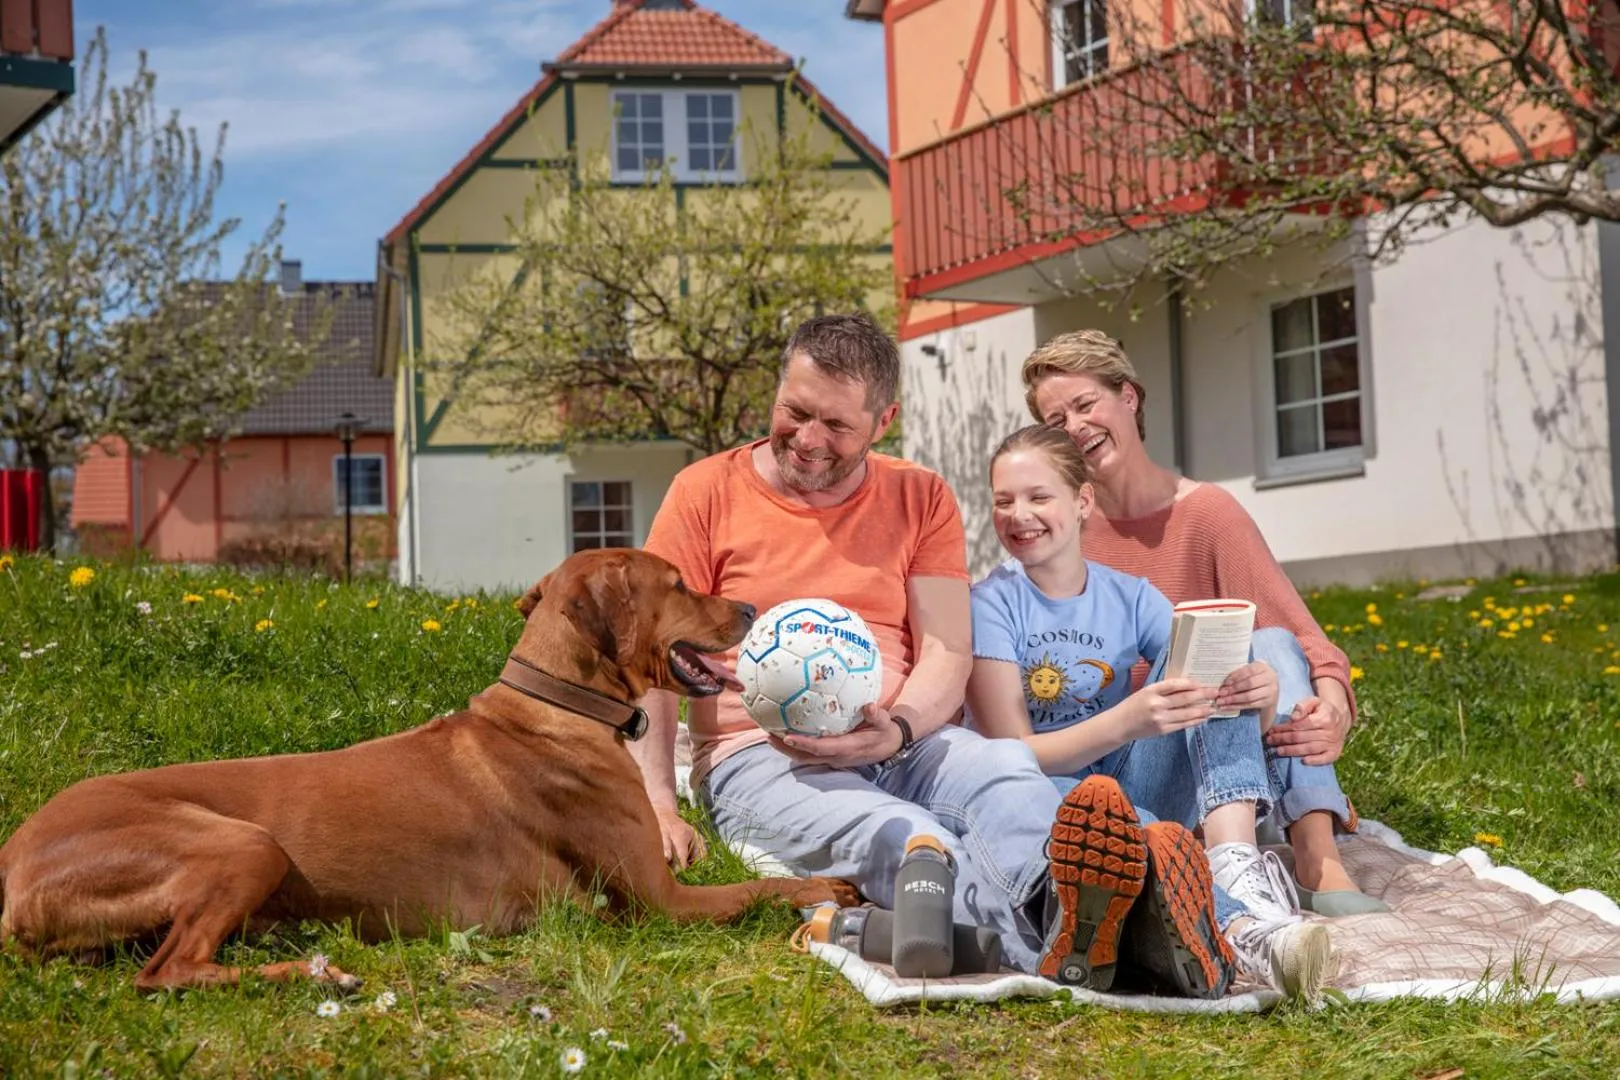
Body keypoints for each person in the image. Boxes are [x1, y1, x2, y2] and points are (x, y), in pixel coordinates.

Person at [628, 312, 1332, 999]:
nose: (809, 439)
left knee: (1012, 779)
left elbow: (945, 649)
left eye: (836, 425)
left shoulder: (918, 495)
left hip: (904, 738)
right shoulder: (705, 492)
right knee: (913, 841)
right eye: (795, 411)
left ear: (884, 420)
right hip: (763, 753)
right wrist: (658, 801)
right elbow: (652, 656)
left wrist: (899, 728)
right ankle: (1109, 939)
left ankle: (1244, 932)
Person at [1020, 329, 1388, 916]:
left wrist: (1334, 708)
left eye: (1086, 404)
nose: (1076, 427)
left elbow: (1304, 640)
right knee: (1206, 643)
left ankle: (1318, 861)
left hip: (1226, 751)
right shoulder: (1064, 535)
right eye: (1055, 420)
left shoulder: (1209, 512)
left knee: (1271, 640)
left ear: (1128, 397)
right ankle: (1227, 860)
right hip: (1130, 767)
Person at [966, 424, 1306, 924]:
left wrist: (1260, 699)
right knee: (1123, 827)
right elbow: (1012, 754)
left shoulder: (1131, 596)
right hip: (1049, 794)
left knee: (1209, 648)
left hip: (1136, 779)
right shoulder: (989, 604)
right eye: (1003, 501)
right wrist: (1127, 721)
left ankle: (1234, 859)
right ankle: (1229, 915)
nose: (1019, 515)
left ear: (1082, 501)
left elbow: (1217, 732)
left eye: (1038, 497)